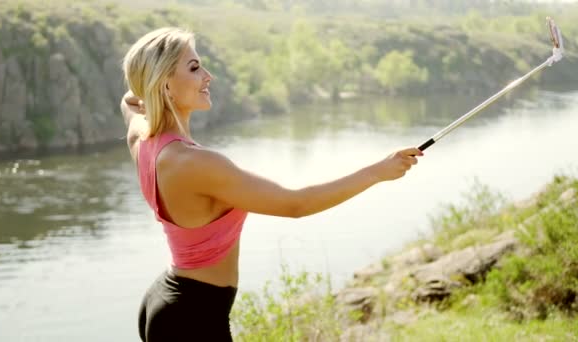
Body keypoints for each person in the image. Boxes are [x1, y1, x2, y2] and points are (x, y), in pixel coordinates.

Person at [120, 27, 423, 342]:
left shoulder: (143, 140)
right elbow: (295, 204)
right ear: (165, 82)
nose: (208, 76)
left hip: (170, 301)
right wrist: (377, 171)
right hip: (193, 317)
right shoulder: (195, 164)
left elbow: (128, 103)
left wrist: (149, 93)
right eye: (195, 68)